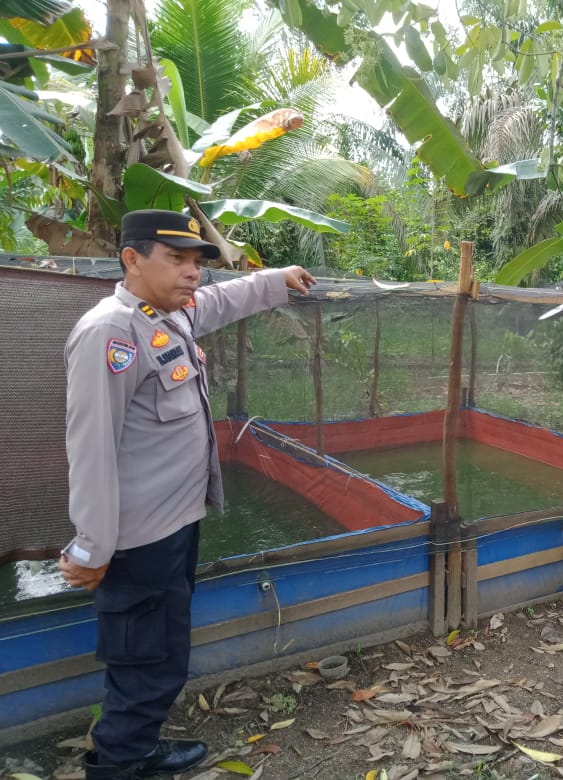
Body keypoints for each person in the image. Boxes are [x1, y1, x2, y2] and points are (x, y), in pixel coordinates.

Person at [59, 209, 316, 780]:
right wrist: (93, 547)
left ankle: (134, 749)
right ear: (132, 259)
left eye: (196, 261)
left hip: (174, 523)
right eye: (175, 259)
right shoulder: (111, 333)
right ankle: (120, 765)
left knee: (163, 652)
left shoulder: (164, 315)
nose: (192, 273)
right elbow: (92, 449)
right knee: (144, 658)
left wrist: (277, 280)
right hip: (136, 538)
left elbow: (222, 301)